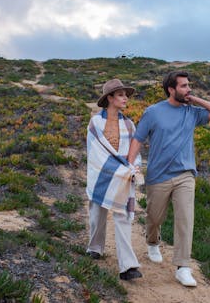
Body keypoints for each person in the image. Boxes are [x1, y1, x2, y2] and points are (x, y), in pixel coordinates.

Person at [127, 70, 210, 287]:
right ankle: (152, 242)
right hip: (158, 175)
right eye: (183, 86)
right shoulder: (153, 112)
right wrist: (129, 164)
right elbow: (138, 139)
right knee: (154, 217)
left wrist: (195, 99)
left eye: (188, 85)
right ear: (171, 89)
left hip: (185, 175)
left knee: (185, 218)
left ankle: (183, 267)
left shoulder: (192, 112)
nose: (188, 89)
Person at [86, 78, 143, 281]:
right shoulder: (96, 122)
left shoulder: (129, 124)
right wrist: (114, 168)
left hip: (123, 175)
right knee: (97, 214)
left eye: (125, 95)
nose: (125, 98)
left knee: (123, 216)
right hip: (101, 174)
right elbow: (95, 152)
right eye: (120, 95)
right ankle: (95, 247)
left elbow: (134, 149)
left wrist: (134, 166)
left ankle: (128, 266)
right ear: (109, 98)